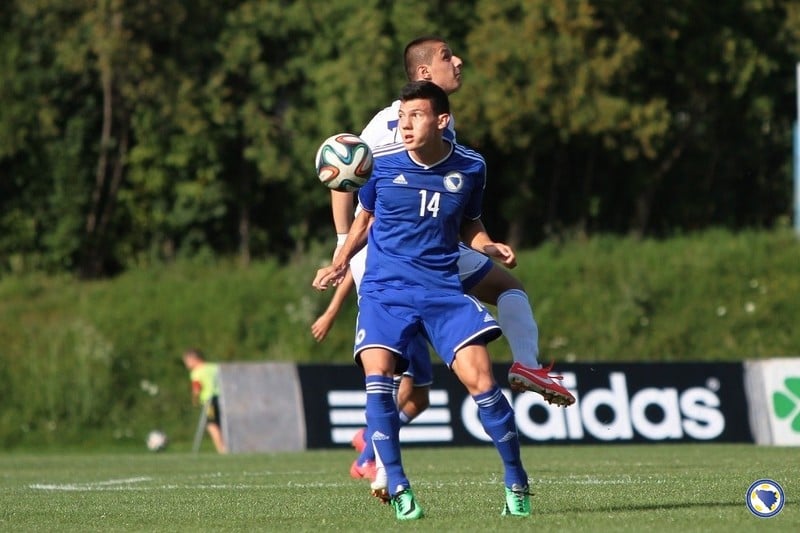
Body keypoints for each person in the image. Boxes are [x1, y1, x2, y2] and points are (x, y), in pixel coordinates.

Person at [320, 35, 575, 480]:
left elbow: (454, 207)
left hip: (432, 246)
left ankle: (527, 369)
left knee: (502, 293)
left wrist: (486, 242)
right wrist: (345, 250)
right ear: (423, 74)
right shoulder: (387, 127)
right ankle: (380, 465)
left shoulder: (447, 130)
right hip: (390, 257)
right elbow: (346, 180)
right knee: (401, 379)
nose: (458, 61)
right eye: (445, 57)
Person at [314, 80, 532, 519]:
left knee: (482, 382)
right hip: (385, 292)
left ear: (441, 121)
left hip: (441, 290)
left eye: (416, 116)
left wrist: (488, 246)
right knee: (379, 378)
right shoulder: (380, 165)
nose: (405, 124)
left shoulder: (471, 167)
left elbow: (470, 224)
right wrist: (339, 261)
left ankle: (517, 481)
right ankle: (396, 484)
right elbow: (364, 223)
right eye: (402, 117)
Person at [182, 348, 226, 454]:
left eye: (186, 361)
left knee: (212, 424)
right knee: (223, 424)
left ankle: (222, 450)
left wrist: (195, 399)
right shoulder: (214, 367)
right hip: (223, 398)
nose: (186, 365)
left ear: (193, 359)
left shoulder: (197, 372)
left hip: (209, 401)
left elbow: (197, 387)